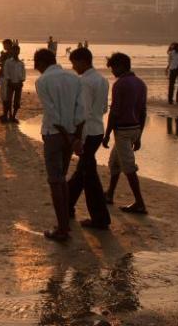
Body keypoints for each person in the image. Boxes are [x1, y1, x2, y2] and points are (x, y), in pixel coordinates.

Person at [33, 48, 85, 242]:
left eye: (36, 64)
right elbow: (81, 111)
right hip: (71, 132)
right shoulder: (74, 79)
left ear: (41, 63)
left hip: (55, 134)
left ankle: (63, 228)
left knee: (55, 180)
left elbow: (52, 114)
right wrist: (76, 137)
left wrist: (69, 138)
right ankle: (64, 223)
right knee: (61, 178)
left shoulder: (43, 81)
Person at [66, 47, 111, 230]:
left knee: (89, 176)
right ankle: (67, 203)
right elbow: (103, 109)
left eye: (74, 63)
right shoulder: (102, 79)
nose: (74, 67)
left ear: (83, 61)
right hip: (97, 129)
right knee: (83, 171)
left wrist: (77, 137)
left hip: (87, 132)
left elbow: (82, 113)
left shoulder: (84, 82)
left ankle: (100, 218)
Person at [104, 52, 148, 215]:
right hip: (135, 128)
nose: (112, 72)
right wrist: (140, 136)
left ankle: (140, 203)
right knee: (115, 162)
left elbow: (114, 112)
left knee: (128, 166)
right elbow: (143, 111)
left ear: (121, 66)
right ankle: (109, 193)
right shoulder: (140, 83)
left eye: (113, 68)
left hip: (123, 129)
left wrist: (107, 133)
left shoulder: (120, 84)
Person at [3, 45, 26, 123]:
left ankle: (13, 116)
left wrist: (21, 80)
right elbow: (5, 72)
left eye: (17, 51)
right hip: (10, 83)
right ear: (12, 51)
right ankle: (8, 114)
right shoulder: (8, 62)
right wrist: (9, 80)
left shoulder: (21, 63)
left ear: (19, 52)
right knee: (8, 100)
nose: (16, 52)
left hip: (18, 84)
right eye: (14, 50)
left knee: (17, 101)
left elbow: (23, 73)